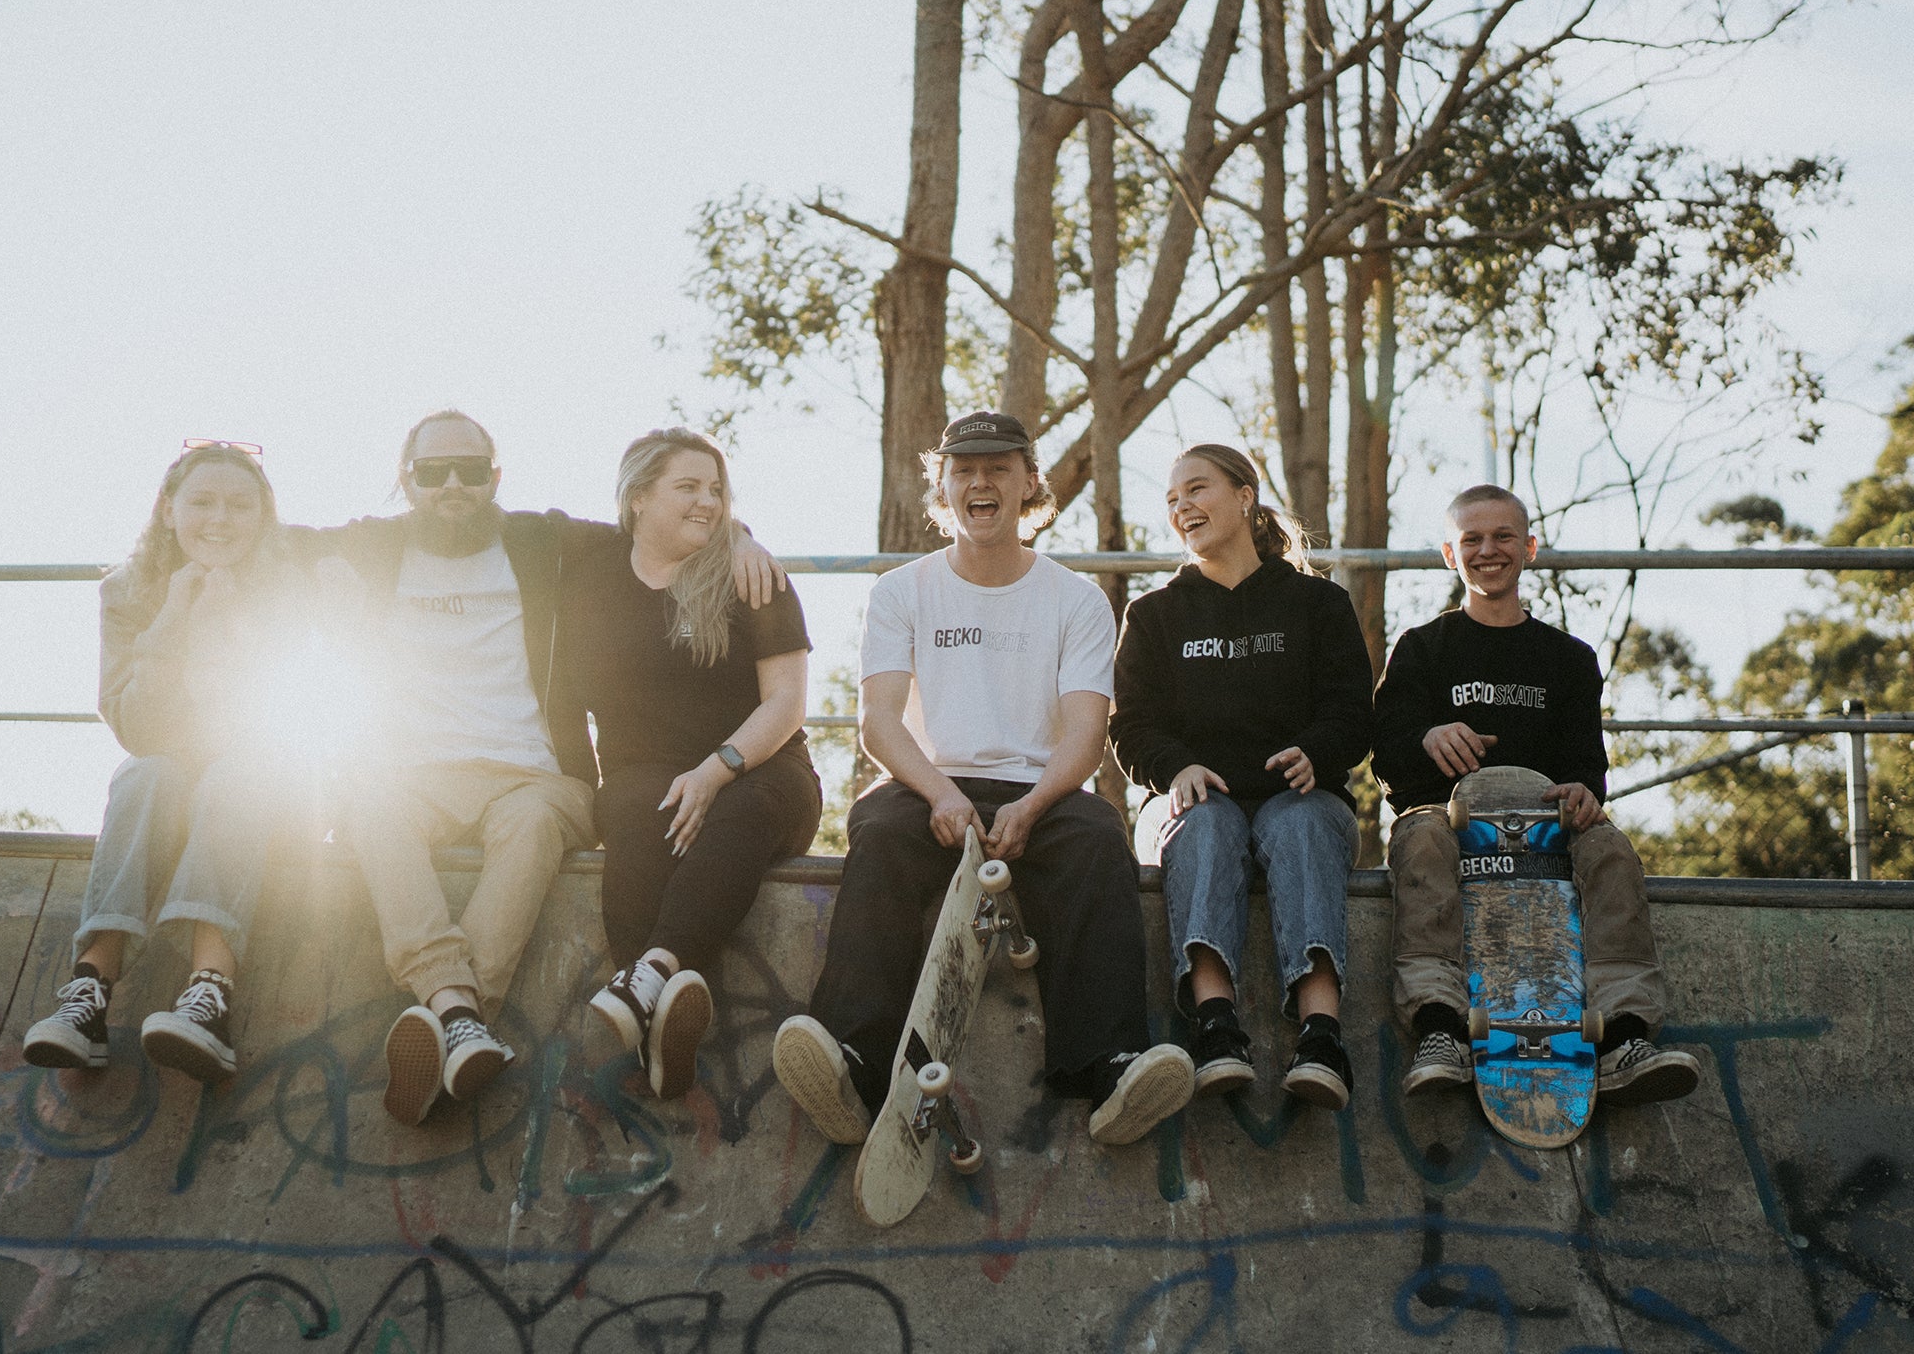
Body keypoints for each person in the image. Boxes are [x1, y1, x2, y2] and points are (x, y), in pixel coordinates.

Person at [295, 411, 782, 1127]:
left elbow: (654, 525)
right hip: (407, 775)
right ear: (407, 481)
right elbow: (262, 543)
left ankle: (447, 1012)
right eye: (433, 472)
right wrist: (319, 566)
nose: (453, 484)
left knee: (528, 828)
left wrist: (741, 534)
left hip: (533, 774)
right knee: (366, 806)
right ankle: (459, 1016)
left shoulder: (538, 539)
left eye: (470, 469)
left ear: (496, 475)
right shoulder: (371, 545)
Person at [772, 412, 1193, 1149]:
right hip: (929, 784)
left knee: (1098, 837)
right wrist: (937, 792)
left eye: (999, 467)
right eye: (964, 469)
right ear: (943, 487)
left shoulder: (1076, 599)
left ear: (1031, 483)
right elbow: (879, 723)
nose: (981, 482)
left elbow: (1087, 733)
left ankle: (1111, 1069)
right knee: (879, 830)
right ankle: (855, 1064)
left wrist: (1034, 803)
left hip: (1041, 788)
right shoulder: (902, 591)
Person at [1372, 484, 1700, 1106]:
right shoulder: (1421, 648)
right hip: (1448, 821)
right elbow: (1385, 759)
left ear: (1529, 548)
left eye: (1502, 537)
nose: (1488, 550)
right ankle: (1440, 1031)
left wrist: (1583, 794)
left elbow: (1587, 770)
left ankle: (1623, 1039)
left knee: (1611, 851)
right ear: (1449, 553)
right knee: (1419, 840)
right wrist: (1427, 736)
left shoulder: (1569, 659)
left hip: (1548, 825)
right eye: (1472, 539)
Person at [23, 440, 311, 1084]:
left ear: (262, 517)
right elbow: (138, 728)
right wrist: (176, 614)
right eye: (202, 501)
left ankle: (210, 994)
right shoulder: (127, 592)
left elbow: (274, 727)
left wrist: (232, 624)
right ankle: (90, 992)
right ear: (168, 509)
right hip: (175, 784)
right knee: (145, 773)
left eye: (240, 505)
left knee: (235, 773)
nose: (220, 519)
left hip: (269, 794)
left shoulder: (289, 591)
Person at [1109, 444, 1373, 1108]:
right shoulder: (1154, 614)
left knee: (1303, 822)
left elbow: (1352, 711)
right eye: (1171, 500)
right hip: (1194, 802)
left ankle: (1321, 1036)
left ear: (1245, 496)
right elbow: (1130, 726)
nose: (1182, 508)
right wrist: (1175, 767)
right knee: (1207, 822)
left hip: (1301, 798)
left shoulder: (1317, 604)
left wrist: (1318, 750)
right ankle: (1215, 1028)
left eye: (1196, 490)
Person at [567, 429, 820, 1100]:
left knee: (738, 808)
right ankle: (660, 1022)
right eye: (689, 487)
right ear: (639, 497)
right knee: (633, 812)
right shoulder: (592, 571)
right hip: (642, 771)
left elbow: (787, 704)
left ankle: (651, 974)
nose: (708, 502)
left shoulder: (752, 575)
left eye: (717, 490)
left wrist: (716, 769)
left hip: (763, 768)